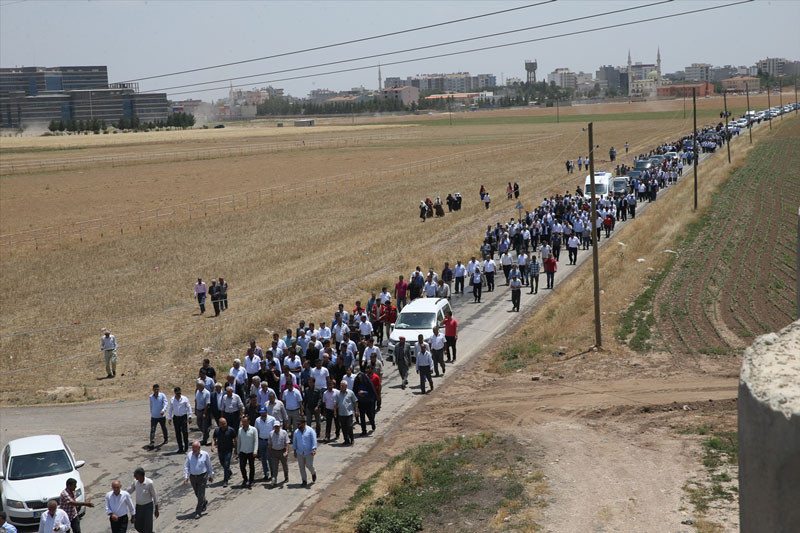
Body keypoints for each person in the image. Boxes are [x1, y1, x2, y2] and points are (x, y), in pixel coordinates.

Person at [183, 441, 213, 519]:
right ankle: (204, 501)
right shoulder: (189, 455)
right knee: (197, 493)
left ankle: (198, 512)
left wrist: (211, 475)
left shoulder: (205, 454)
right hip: (193, 477)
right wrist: (186, 477)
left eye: (195, 448)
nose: (193, 449)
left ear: (199, 448)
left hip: (202, 476)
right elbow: (186, 466)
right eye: (192, 448)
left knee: (200, 494)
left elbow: (209, 465)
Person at [126, 468, 157, 533]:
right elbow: (130, 490)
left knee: (148, 525)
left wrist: (156, 509)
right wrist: (122, 494)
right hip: (139, 507)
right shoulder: (135, 482)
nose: (134, 476)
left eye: (135, 475)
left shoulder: (149, 483)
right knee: (137, 525)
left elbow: (154, 496)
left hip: (148, 507)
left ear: (140, 475)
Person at [211, 417, 236, 486]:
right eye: (223, 424)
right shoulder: (217, 430)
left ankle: (225, 480)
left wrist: (236, 449)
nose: (225, 425)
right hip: (221, 449)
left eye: (225, 423)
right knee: (222, 462)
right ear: (219, 424)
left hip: (228, 450)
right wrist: (212, 446)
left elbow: (235, 439)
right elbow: (214, 438)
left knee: (226, 463)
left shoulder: (231, 430)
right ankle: (229, 472)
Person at [293, 418, 318, 487]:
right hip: (300, 452)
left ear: (303, 424)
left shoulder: (310, 431)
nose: (298, 425)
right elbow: (294, 442)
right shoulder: (296, 432)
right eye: (297, 424)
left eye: (299, 424)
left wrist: (314, 449)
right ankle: (304, 481)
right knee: (301, 467)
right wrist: (294, 451)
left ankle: (313, 472)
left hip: (309, 452)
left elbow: (314, 440)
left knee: (309, 465)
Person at [254, 407, 276, 481]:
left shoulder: (272, 419)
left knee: (270, 458)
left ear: (266, 412)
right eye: (261, 413)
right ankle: (266, 474)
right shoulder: (257, 420)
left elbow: (275, 430)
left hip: (269, 441)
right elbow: (256, 431)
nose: (262, 414)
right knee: (263, 459)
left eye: (264, 412)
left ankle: (273, 474)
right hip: (261, 441)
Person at [168, 387, 192, 454]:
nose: (179, 394)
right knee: (178, 433)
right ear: (175, 393)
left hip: (183, 417)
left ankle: (186, 446)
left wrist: (190, 416)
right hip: (176, 418)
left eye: (180, 393)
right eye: (177, 393)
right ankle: (180, 448)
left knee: (185, 432)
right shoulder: (172, 400)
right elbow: (170, 409)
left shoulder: (185, 399)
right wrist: (169, 418)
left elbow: (189, 407)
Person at [237, 416, 258, 487]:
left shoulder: (253, 429)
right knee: (242, 466)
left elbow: (256, 441)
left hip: (251, 451)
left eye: (245, 421)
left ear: (249, 421)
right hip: (242, 451)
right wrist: (238, 450)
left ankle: (251, 480)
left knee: (251, 466)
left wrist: (255, 451)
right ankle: (245, 478)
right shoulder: (240, 430)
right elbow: (239, 441)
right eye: (242, 421)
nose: (243, 423)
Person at [335, 381, 358, 445]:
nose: (341, 387)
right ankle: (346, 439)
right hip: (341, 413)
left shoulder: (350, 393)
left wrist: (356, 411)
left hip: (349, 413)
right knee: (343, 427)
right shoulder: (338, 394)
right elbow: (336, 403)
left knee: (349, 426)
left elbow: (355, 402)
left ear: (346, 386)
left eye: (342, 386)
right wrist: (335, 411)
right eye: (340, 386)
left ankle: (352, 438)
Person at [268, 420, 290, 486]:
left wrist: (287, 451)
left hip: (282, 451)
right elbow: (270, 444)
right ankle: (274, 480)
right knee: (274, 467)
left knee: (284, 465)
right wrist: (270, 452)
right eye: (275, 426)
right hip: (274, 452)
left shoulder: (284, 432)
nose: (276, 428)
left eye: (277, 426)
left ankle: (286, 476)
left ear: (280, 426)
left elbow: (287, 443)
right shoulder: (271, 433)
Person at [148, 384, 168, 450]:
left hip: (161, 416)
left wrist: (163, 410)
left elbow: (166, 403)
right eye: (155, 389)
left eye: (157, 389)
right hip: (154, 416)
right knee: (152, 429)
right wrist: (152, 413)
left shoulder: (162, 395)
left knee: (164, 428)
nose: (156, 390)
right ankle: (152, 442)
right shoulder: (151, 397)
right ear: (153, 389)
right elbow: (151, 405)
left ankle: (166, 438)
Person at [195, 380, 211, 445]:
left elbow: (207, 404)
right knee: (199, 423)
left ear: (201, 386)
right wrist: (195, 409)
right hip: (198, 410)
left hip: (204, 410)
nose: (196, 387)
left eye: (197, 385)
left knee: (204, 425)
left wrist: (204, 413)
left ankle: (205, 439)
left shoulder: (207, 393)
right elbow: (196, 400)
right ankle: (206, 433)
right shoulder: (197, 392)